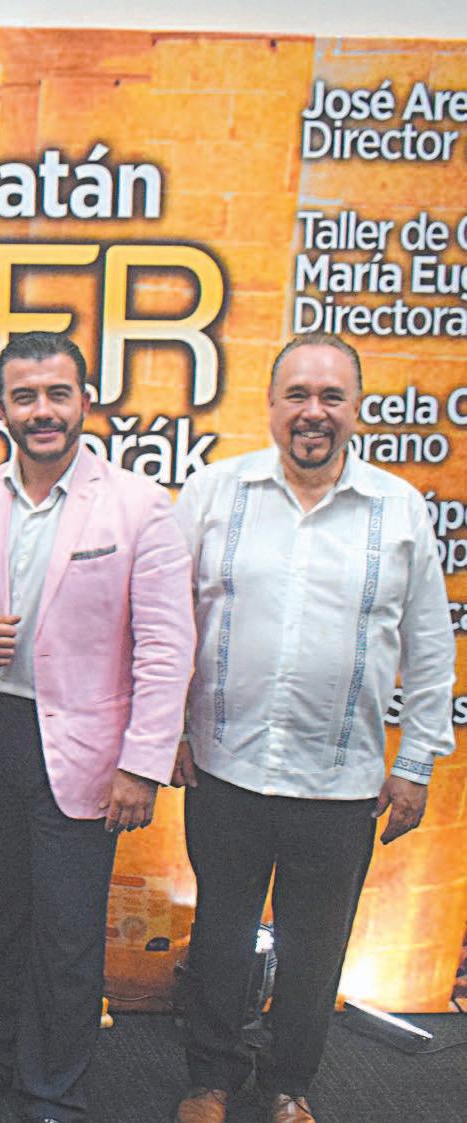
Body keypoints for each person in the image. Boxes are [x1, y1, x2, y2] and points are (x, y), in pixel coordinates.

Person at [170, 334, 454, 1123]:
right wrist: (168, 730)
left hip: (341, 779)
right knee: (219, 933)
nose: (312, 412)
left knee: (315, 947)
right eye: (297, 394)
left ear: (355, 408)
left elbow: (430, 649)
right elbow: (166, 622)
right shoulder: (214, 492)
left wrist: (416, 763)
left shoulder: (398, 510)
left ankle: (288, 1085)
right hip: (224, 766)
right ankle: (209, 1080)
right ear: (269, 404)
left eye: (330, 396)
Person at [0, 332, 194, 1123]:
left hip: (86, 753)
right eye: (24, 396)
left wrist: (142, 764)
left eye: (56, 393)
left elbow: (165, 644)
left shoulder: (138, 504)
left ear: (85, 401)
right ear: (0, 407)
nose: (41, 410)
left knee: (68, 932)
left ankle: (52, 1089)